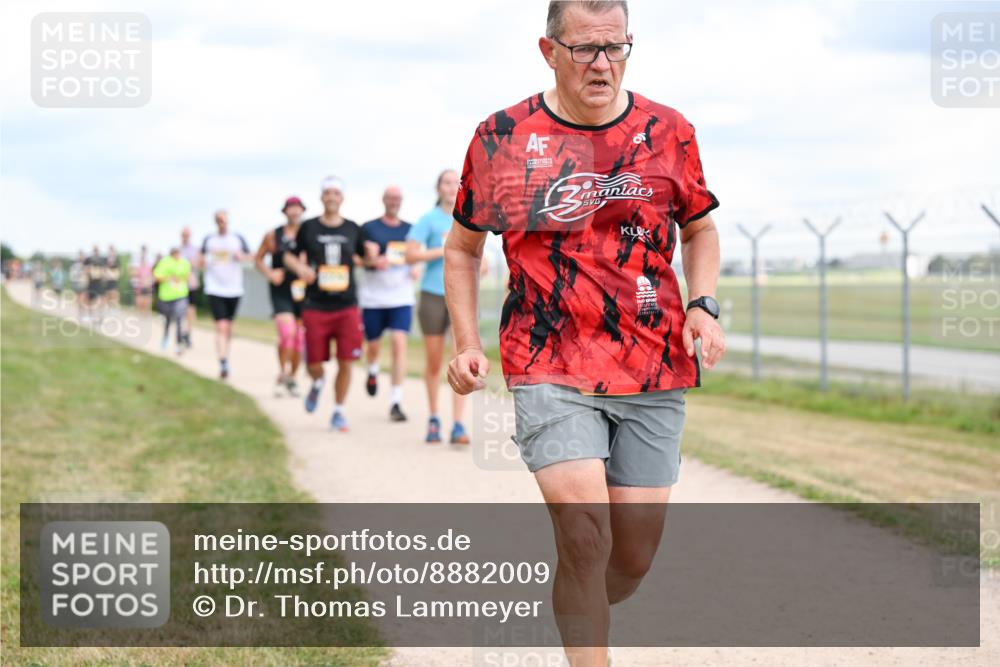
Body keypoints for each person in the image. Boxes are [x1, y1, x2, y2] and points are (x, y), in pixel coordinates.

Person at [443, 2, 725, 664]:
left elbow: (701, 227)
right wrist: (467, 341)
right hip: (548, 360)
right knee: (585, 536)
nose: (602, 64)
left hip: (652, 365)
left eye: (615, 47)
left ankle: (579, 596)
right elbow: (462, 249)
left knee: (630, 555)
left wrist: (704, 304)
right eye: (584, 50)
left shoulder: (669, 130)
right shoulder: (502, 136)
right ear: (549, 51)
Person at [406, 170, 487, 444]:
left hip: (459, 299)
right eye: (446, 182)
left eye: (456, 182)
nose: (452, 187)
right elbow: (410, 254)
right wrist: (446, 251)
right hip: (432, 295)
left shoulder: (468, 217)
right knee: (434, 361)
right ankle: (433, 418)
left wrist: (473, 264)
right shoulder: (428, 220)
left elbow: (481, 262)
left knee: (461, 360)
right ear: (438, 188)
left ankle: (458, 424)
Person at [284, 176, 366, 433]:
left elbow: (364, 257)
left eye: (336, 193)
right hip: (316, 305)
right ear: (321, 198)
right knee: (314, 364)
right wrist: (300, 268)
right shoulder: (308, 227)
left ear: (342, 198)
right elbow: (288, 255)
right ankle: (318, 382)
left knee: (346, 361)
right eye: (327, 193)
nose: (331, 197)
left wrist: (376, 255)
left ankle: (338, 411)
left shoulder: (353, 228)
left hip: (346, 306)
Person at [360, 186, 417, 422]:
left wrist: (415, 268)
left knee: (398, 343)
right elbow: (360, 259)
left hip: (401, 297)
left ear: (401, 202)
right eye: (390, 198)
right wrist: (372, 261)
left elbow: (416, 255)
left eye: (398, 198)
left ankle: (395, 401)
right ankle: (372, 370)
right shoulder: (368, 229)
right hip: (374, 298)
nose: (394, 202)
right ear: (383, 200)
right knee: (373, 347)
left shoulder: (410, 229)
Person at [256, 196, 307, 397]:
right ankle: (281, 372)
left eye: (298, 208)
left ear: (302, 211)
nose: (294, 212)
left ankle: (292, 377)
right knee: (287, 334)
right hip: (281, 290)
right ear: (285, 211)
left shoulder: (308, 234)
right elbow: (258, 259)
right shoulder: (273, 235)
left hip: (303, 291)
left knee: (299, 339)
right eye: (291, 208)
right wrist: (270, 273)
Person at [200, 210, 251, 379]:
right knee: (220, 326)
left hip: (234, 289)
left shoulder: (237, 239)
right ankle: (222, 361)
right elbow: (199, 260)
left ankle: (225, 356)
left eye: (224, 220)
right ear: (215, 222)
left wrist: (241, 256)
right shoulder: (209, 240)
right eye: (218, 220)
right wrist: (204, 262)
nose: (221, 223)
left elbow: (251, 256)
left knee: (228, 327)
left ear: (228, 220)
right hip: (215, 288)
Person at [153, 246, 191, 355]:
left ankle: (178, 344)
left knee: (179, 319)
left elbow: (187, 276)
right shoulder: (164, 262)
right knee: (168, 320)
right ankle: (165, 337)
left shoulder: (184, 263)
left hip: (180, 295)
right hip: (166, 297)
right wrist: (168, 278)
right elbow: (156, 277)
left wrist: (180, 279)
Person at [180, 227, 201, 348]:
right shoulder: (178, 249)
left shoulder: (194, 249)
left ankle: (188, 334)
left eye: (187, 234)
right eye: (184, 234)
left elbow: (195, 263)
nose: (185, 236)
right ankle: (181, 331)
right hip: (179, 285)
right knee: (180, 309)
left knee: (190, 310)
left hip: (190, 284)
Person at [83, 245, 106, 321]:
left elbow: (103, 271)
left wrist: (103, 278)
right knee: (90, 300)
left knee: (100, 299)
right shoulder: (89, 260)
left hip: (98, 282)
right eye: (95, 250)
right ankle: (91, 315)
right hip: (91, 282)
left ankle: (100, 316)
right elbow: (85, 270)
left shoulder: (102, 260)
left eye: (97, 250)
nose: (96, 252)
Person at [131, 245, 155, 312]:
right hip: (139, 285)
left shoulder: (150, 261)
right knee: (139, 303)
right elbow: (133, 273)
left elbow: (152, 274)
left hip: (147, 285)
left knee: (147, 303)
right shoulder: (137, 260)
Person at [69, 251, 88, 317]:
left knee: (80, 299)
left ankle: (80, 313)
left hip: (78, 283)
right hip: (80, 283)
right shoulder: (79, 265)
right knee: (81, 299)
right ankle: (81, 313)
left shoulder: (75, 264)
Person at [104, 245, 121, 310]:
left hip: (114, 278)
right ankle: (108, 305)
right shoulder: (106, 259)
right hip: (108, 279)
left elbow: (119, 269)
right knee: (108, 292)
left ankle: (115, 305)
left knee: (114, 291)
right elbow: (104, 268)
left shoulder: (116, 259)